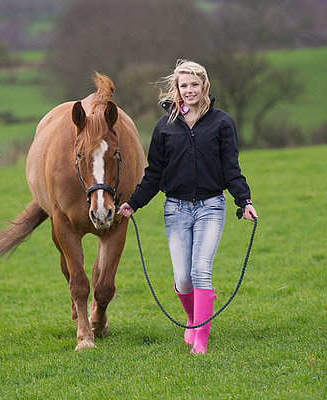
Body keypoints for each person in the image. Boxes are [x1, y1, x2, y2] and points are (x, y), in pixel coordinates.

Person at [117, 59, 258, 354]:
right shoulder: (164, 127)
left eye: (195, 84)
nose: (190, 90)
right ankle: (193, 319)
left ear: (204, 86)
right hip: (176, 210)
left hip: (211, 207)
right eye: (184, 85)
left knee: (201, 272)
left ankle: (201, 344)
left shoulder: (222, 122)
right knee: (182, 278)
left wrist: (243, 201)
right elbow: (153, 174)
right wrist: (133, 203)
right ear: (177, 90)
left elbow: (231, 168)